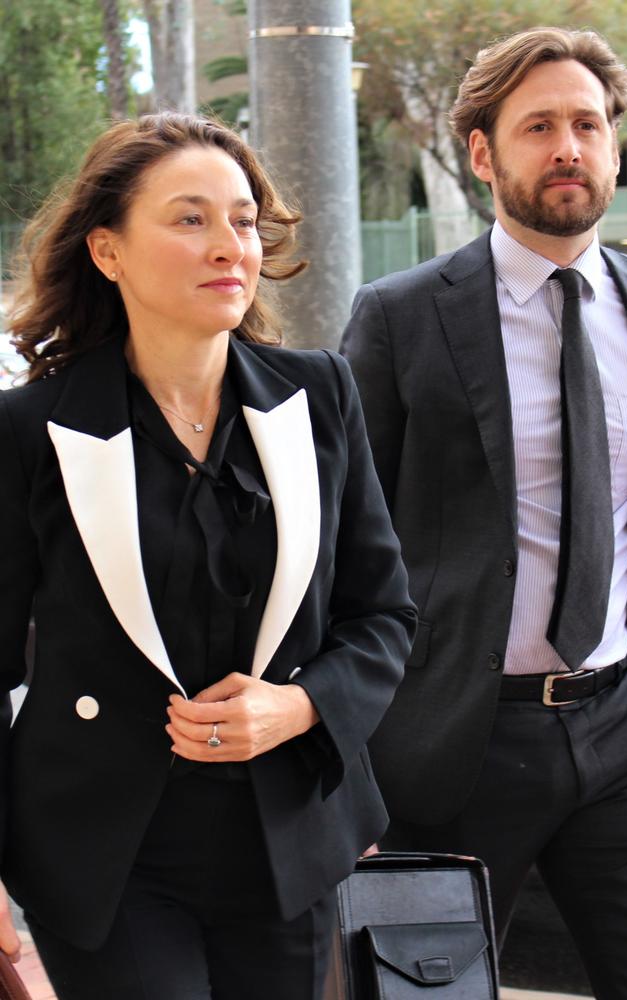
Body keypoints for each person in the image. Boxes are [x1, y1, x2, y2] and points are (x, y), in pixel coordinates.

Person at [0, 111, 416, 1000]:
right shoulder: (28, 430)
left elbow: (382, 614)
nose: (229, 244)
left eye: (242, 218)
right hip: (107, 863)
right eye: (190, 218)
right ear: (107, 252)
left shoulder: (319, 394)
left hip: (288, 849)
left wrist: (301, 707)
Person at [341, 26, 627, 1000]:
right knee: (422, 993)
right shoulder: (397, 315)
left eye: (587, 124)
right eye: (538, 126)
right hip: (451, 747)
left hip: (620, 731)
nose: (567, 146)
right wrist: (352, 757)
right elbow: (344, 549)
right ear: (481, 154)